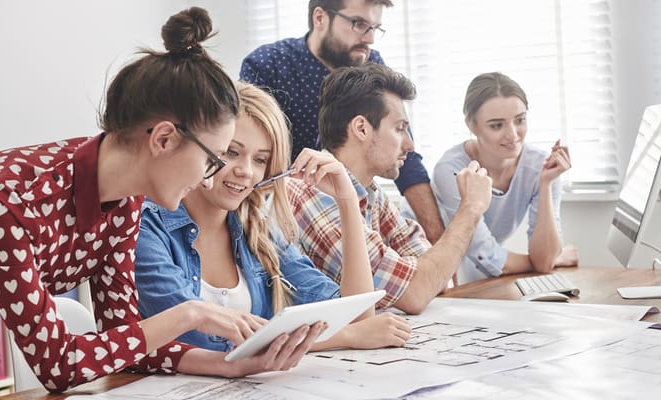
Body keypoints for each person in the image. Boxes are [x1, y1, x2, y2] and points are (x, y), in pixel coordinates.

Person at [0, 8, 324, 399]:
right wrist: (190, 314)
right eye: (214, 159)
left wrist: (231, 365)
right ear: (163, 139)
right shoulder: (6, 200)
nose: (209, 177)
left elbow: (125, 340)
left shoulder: (126, 204)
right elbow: (59, 367)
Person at [135, 81, 410, 353]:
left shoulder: (258, 230)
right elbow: (196, 339)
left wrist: (347, 200)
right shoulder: (147, 225)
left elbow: (355, 316)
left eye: (260, 160)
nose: (246, 171)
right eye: (232, 153)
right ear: (207, 149)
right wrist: (345, 336)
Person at [286, 63, 493, 315]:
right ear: (361, 128)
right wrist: (470, 209)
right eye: (399, 128)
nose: (411, 145)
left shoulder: (371, 194)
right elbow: (416, 292)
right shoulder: (312, 191)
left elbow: (438, 279)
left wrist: (421, 276)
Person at [240, 0, 445, 244]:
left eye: (375, 28)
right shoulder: (269, 64)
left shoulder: (371, 65)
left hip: (350, 206)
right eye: (359, 24)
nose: (369, 39)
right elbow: (251, 158)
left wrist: (437, 239)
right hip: (282, 221)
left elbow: (405, 158)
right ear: (320, 18)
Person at [433, 72, 578, 284]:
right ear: (471, 125)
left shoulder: (541, 166)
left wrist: (546, 184)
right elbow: (483, 252)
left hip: (484, 277)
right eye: (496, 125)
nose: (512, 135)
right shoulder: (452, 169)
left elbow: (544, 262)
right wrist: (552, 258)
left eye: (520, 120)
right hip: (437, 268)